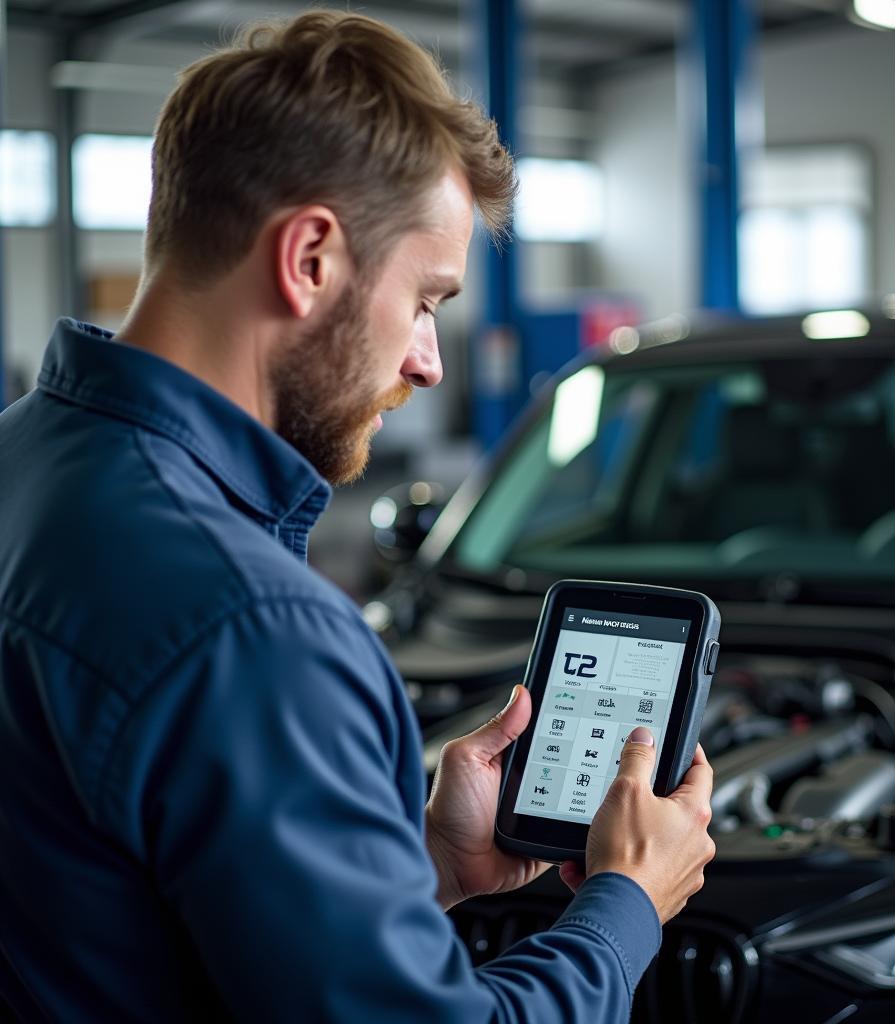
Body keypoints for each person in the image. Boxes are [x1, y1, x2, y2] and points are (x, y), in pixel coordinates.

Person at [0, 11, 714, 1021]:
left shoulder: (22, 462)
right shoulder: (253, 628)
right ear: (309, 258)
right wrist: (624, 905)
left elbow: (133, 917)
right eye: (425, 299)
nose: (427, 358)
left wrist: (423, 863)